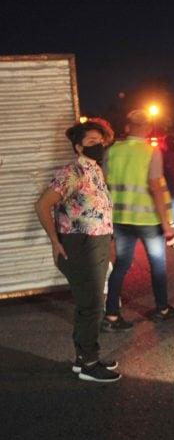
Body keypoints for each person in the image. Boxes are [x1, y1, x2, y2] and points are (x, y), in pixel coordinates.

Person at [34, 119, 121, 383]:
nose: (99, 146)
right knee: (91, 304)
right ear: (78, 146)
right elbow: (42, 205)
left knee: (91, 302)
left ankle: (83, 357)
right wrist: (54, 241)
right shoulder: (73, 173)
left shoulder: (95, 170)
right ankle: (89, 363)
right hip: (80, 245)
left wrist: (110, 244)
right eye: (92, 142)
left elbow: (100, 213)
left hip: (96, 242)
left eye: (101, 141)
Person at [102, 109, 174, 331]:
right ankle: (162, 309)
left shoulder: (112, 151)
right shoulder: (150, 152)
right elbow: (155, 187)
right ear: (147, 128)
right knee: (157, 264)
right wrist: (167, 224)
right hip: (147, 220)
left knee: (121, 265)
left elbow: (105, 184)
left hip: (120, 218)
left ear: (127, 127)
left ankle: (112, 316)